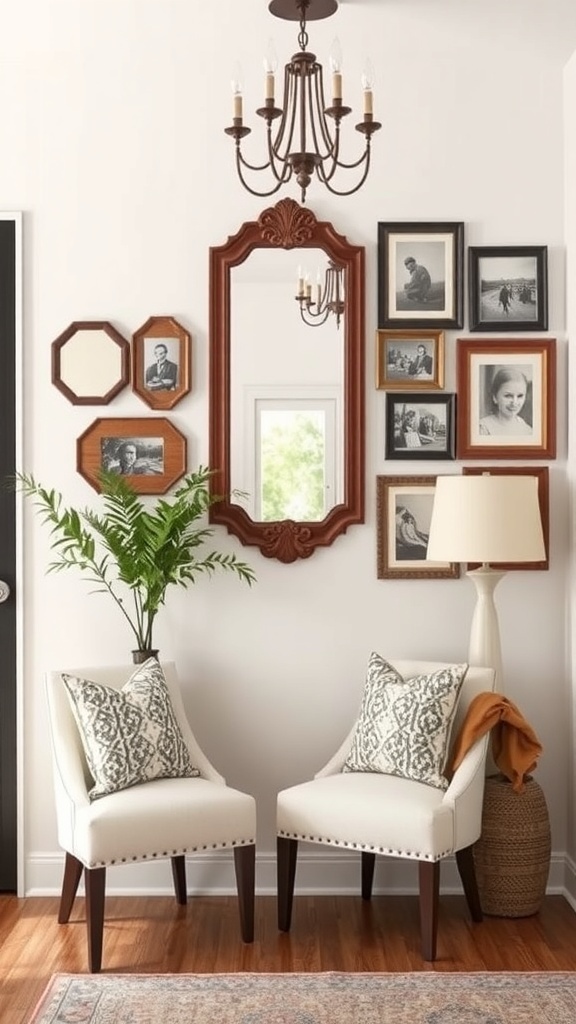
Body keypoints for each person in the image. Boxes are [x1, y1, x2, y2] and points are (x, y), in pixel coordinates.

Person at [479, 367, 532, 436]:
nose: (514, 402)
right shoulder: (484, 428)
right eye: (508, 396)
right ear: (495, 398)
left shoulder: (526, 429)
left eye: (520, 396)